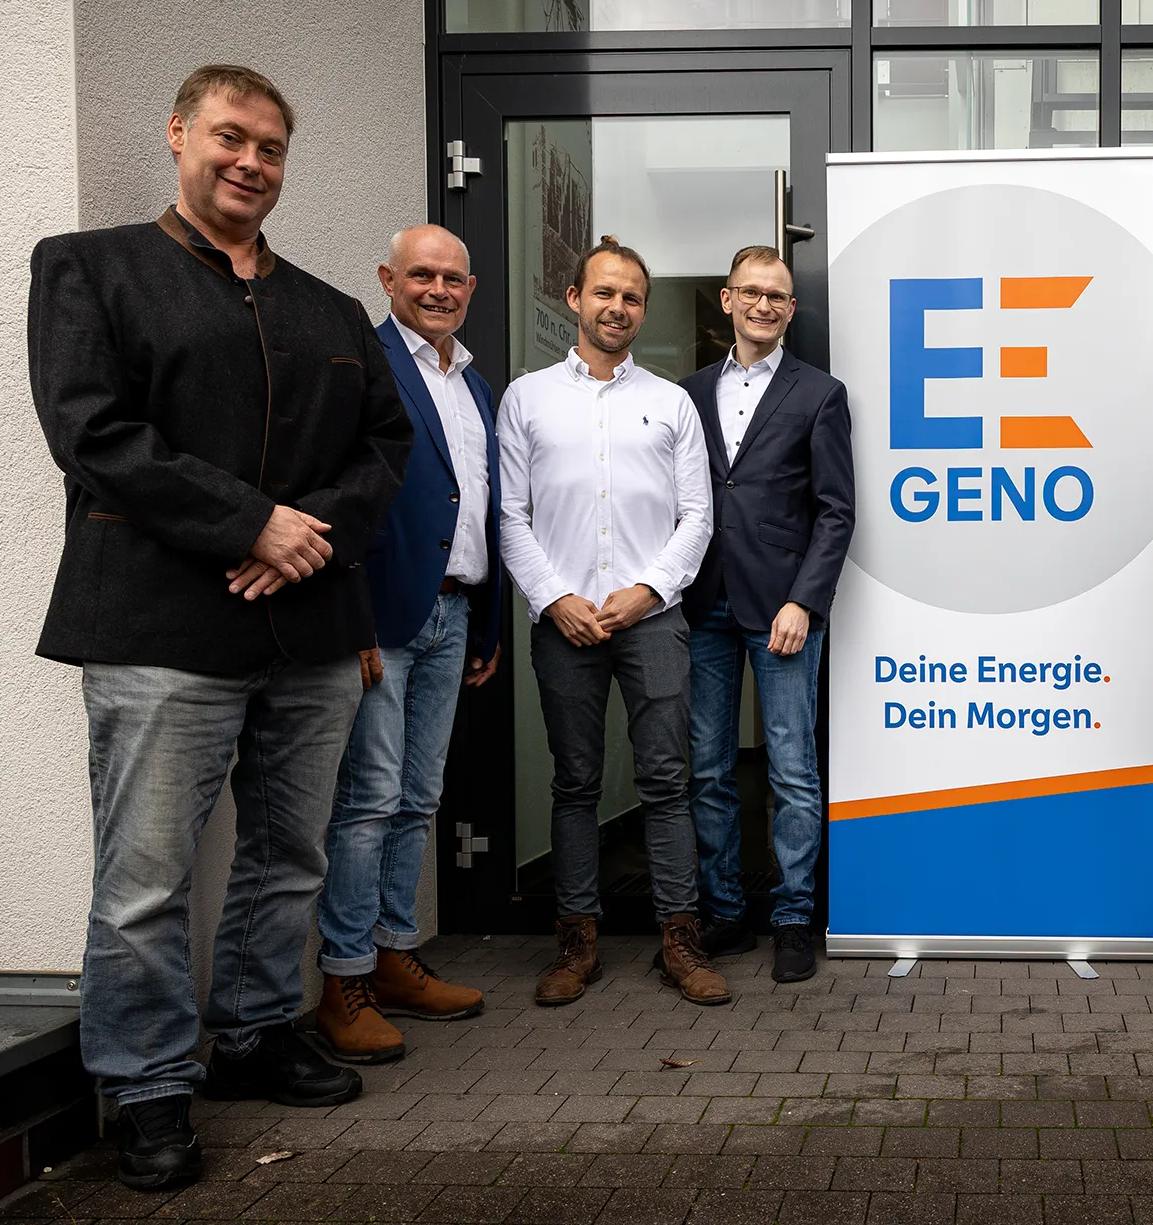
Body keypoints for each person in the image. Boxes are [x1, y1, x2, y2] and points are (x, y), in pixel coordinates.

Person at [28, 64, 412, 1190]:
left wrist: (305, 535)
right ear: (179, 134)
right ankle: (149, 1084)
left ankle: (253, 1032)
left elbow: (385, 449)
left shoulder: (331, 311)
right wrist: (251, 523)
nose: (250, 162)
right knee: (145, 875)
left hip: (310, 632)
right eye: (230, 138)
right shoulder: (90, 268)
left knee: (289, 853)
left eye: (271, 148)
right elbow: (92, 433)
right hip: (158, 628)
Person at [497, 235, 727, 1008]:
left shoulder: (672, 403)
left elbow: (697, 516)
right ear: (574, 299)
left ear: (643, 310)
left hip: (653, 620)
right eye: (604, 292)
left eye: (631, 297)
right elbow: (511, 516)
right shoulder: (526, 398)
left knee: (666, 781)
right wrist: (555, 598)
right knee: (575, 784)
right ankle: (577, 945)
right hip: (563, 623)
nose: (617, 307)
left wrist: (649, 590)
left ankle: (680, 942)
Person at [314, 225, 499, 1063]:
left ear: (471, 288)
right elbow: (338, 497)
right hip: (382, 619)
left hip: (452, 615)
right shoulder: (366, 363)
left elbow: (478, 504)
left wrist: (485, 621)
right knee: (370, 800)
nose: (439, 290)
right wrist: (350, 618)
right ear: (388, 279)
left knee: (419, 797)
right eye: (422, 275)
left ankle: (392, 955)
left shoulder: (475, 384)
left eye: (453, 278)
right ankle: (344, 978)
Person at [681, 247, 854, 983]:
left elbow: (836, 511)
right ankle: (724, 912)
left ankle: (791, 918)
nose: (763, 305)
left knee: (791, 770)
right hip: (701, 601)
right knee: (708, 768)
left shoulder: (820, 393)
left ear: (791, 309)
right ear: (727, 299)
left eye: (777, 296)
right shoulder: (687, 393)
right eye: (751, 292)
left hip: (782, 608)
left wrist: (804, 601)